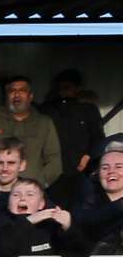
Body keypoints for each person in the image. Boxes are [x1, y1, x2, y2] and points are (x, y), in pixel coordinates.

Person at [0, 75, 62, 189]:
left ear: (30, 96)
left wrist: (38, 185)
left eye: (22, 91)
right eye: (12, 91)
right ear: (6, 96)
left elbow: (54, 160)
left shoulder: (44, 123)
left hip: (32, 193)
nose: (16, 95)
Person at [38, 69, 105, 206]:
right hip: (52, 174)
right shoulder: (46, 109)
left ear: (78, 88)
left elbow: (98, 138)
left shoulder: (88, 109)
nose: (63, 90)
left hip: (80, 172)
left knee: (79, 211)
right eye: (60, 87)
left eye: (68, 87)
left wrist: (88, 156)